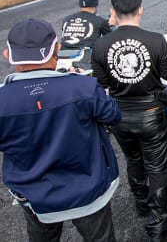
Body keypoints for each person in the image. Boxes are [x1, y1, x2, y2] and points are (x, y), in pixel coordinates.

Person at [0, 19, 121, 242]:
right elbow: (113, 115)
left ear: (9, 54)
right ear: (57, 49)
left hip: (33, 193)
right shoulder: (83, 87)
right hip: (88, 187)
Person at [91, 0, 167, 242]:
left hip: (119, 113)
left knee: (133, 159)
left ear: (114, 13)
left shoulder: (101, 44)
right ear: (140, 9)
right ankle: (158, 221)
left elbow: (101, 81)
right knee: (157, 164)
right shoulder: (155, 39)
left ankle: (141, 203)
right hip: (151, 111)